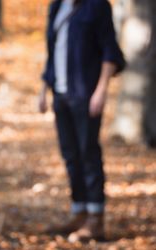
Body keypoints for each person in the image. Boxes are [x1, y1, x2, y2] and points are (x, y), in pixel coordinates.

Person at [39, 0, 125, 242]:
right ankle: (79, 212)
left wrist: (101, 90)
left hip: (86, 93)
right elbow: (52, 49)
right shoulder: (57, 6)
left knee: (88, 152)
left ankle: (96, 219)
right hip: (61, 94)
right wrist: (44, 89)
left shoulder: (97, 6)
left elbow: (110, 50)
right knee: (70, 155)